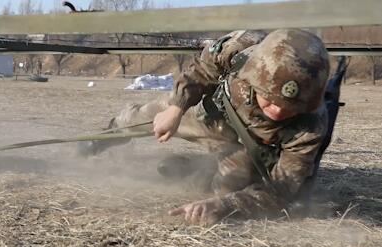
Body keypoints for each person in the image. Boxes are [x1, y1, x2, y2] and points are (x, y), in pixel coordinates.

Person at [78, 29, 340, 225]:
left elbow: (280, 188)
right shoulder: (242, 50)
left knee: (228, 190)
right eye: (270, 99)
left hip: (240, 146)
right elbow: (202, 69)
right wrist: (176, 107)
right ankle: (102, 139)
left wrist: (225, 205)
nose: (279, 111)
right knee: (141, 119)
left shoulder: (311, 125)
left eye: (291, 107)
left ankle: (192, 170)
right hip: (206, 114)